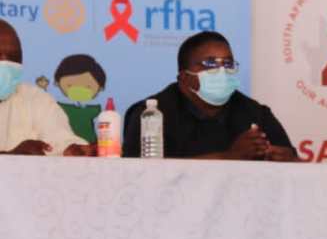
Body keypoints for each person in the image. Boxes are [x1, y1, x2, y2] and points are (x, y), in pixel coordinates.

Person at [122, 31, 296, 161]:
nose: (222, 71)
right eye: (210, 64)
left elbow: (294, 163)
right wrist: (230, 157)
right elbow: (140, 174)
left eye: (228, 64)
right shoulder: (152, 115)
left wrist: (285, 159)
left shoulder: (255, 112)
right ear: (184, 77)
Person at [0, 20, 91, 156]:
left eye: (14, 57)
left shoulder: (35, 98)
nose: (5, 64)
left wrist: (72, 150)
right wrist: (12, 158)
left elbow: (59, 139)